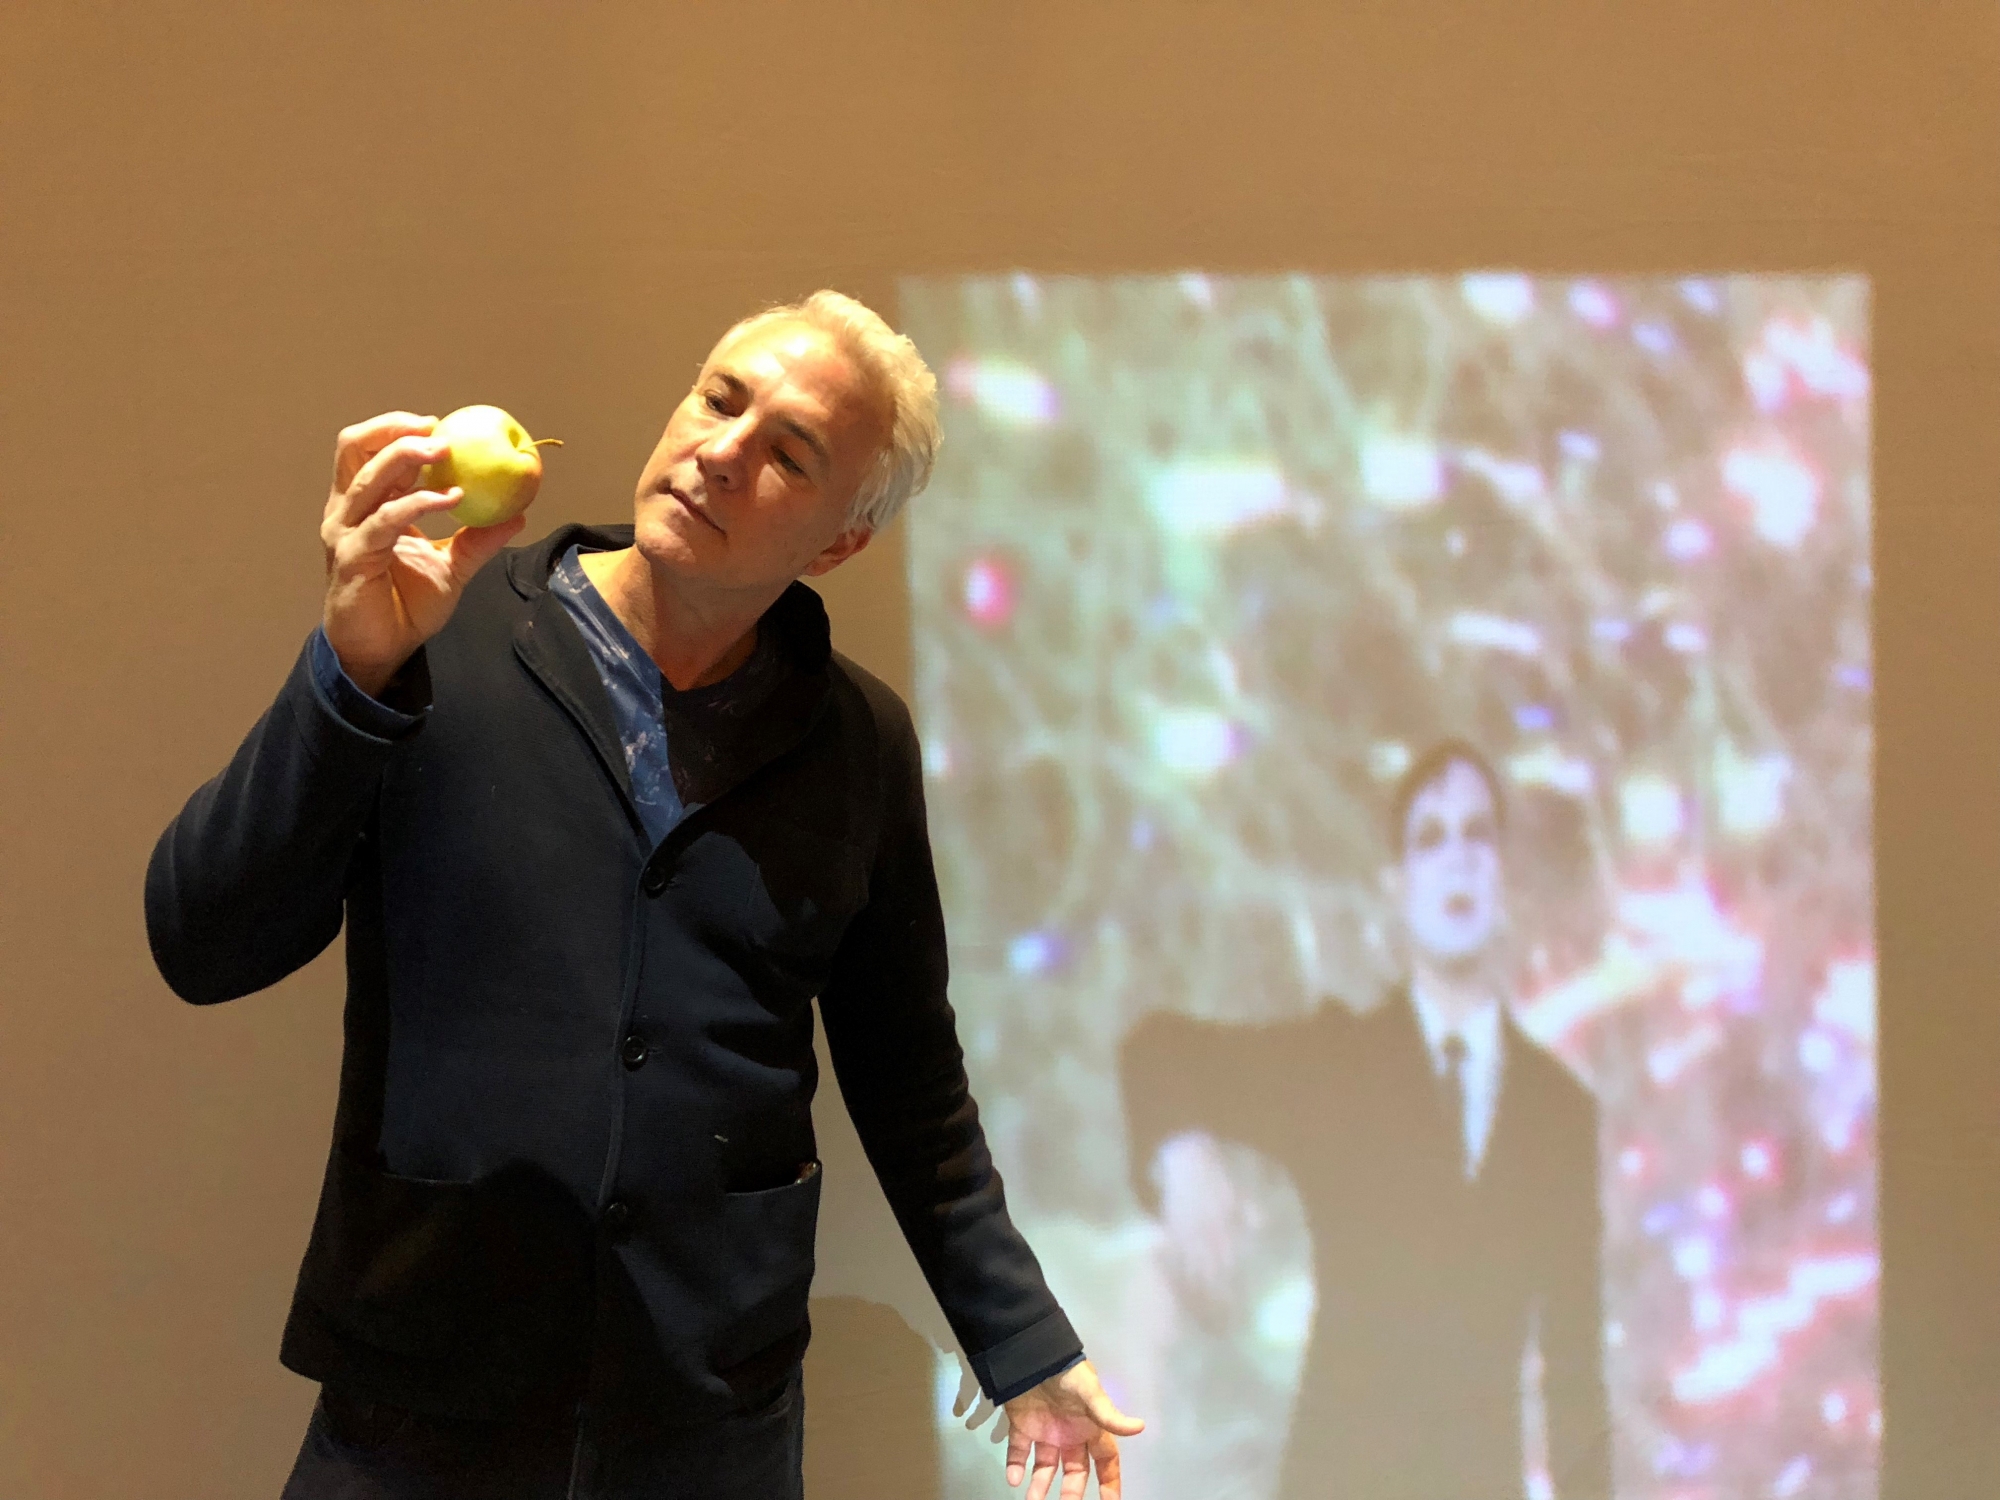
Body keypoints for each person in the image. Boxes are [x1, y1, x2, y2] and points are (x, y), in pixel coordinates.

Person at [146, 291, 1141, 1500]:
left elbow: (911, 1083)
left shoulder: (856, 743)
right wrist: (352, 674)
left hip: (705, 1421)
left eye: (789, 454)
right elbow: (204, 942)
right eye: (720, 399)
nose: (722, 452)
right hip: (421, 1395)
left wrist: (1026, 1347)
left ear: (837, 543)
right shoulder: (438, 642)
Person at [1119, 740, 1610, 1500]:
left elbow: (1576, 1380)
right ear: (1396, 887)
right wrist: (1184, 1161)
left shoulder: (1559, 1115)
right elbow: (1159, 1050)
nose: (1459, 860)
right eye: (1430, 838)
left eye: (1480, 834)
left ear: (1506, 879)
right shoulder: (1338, 1066)